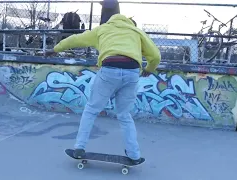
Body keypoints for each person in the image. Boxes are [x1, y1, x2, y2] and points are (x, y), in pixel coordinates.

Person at [45, 14, 161, 164]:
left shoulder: (103, 29)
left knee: (91, 109)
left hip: (110, 68)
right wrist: (149, 69)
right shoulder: (136, 32)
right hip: (132, 71)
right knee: (125, 115)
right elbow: (156, 55)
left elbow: (75, 39)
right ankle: (134, 154)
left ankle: (79, 147)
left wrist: (55, 49)